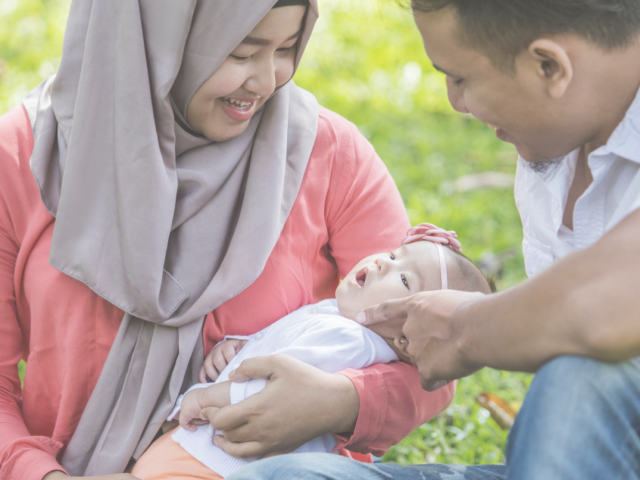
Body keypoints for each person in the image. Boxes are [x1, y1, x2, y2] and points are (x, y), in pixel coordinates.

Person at [0, 2, 455, 480]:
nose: (266, 80)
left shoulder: (328, 155)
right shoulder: (26, 158)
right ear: (156, 38)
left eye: (285, 49)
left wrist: (338, 402)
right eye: (241, 53)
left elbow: (436, 354)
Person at [225, 0, 640, 479]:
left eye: (460, 78)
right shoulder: (556, 148)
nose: (454, 102)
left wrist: (465, 328)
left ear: (548, 66)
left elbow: (606, 308)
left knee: (580, 382)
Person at [130, 225, 493, 480]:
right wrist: (238, 346)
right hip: (205, 454)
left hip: (219, 462)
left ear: (407, 338)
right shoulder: (335, 316)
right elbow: (282, 345)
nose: (384, 262)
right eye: (394, 254)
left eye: (403, 279)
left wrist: (202, 397)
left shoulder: (351, 340)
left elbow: (272, 395)